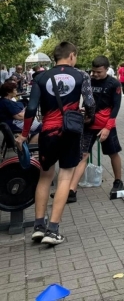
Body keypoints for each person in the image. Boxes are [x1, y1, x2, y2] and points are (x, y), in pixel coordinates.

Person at [16, 42, 95, 246]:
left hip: (48, 132)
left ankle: (38, 227)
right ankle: (53, 229)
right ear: (71, 56)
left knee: (45, 177)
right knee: (65, 178)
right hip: (70, 131)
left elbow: (32, 108)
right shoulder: (81, 76)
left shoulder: (40, 77)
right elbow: (90, 103)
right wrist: (88, 118)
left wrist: (24, 134)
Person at [66, 56, 124, 203]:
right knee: (82, 155)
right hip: (88, 125)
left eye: (99, 72)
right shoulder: (88, 81)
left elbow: (116, 107)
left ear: (106, 69)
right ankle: (72, 190)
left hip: (106, 125)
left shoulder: (114, 83)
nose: (95, 75)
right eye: (93, 72)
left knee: (113, 153)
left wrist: (107, 127)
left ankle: (118, 181)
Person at [0, 79, 40, 144]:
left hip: (10, 124)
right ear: (8, 92)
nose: (16, 91)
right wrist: (32, 112)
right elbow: (20, 116)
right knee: (43, 128)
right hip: (13, 124)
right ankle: (30, 149)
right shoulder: (7, 103)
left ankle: (29, 147)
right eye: (15, 90)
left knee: (38, 126)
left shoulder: (4, 101)